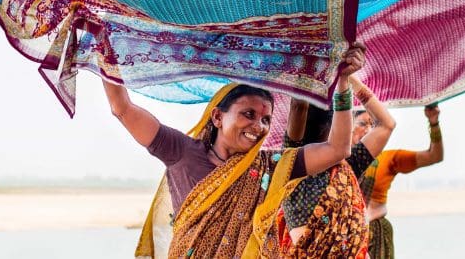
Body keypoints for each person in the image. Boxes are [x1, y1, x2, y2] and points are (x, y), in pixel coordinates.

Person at [103, 42, 366, 259]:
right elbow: (122, 108)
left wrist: (343, 83)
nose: (258, 126)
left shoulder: (271, 165)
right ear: (217, 117)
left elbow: (338, 148)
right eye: (248, 114)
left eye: (265, 119)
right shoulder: (182, 151)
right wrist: (101, 48)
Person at [273, 75, 395, 258]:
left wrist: (344, 76)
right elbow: (386, 124)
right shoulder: (294, 164)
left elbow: (387, 125)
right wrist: (346, 79)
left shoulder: (344, 168)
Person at [358, 103, 444, 259]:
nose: (368, 130)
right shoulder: (336, 161)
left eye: (374, 125)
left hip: (376, 235)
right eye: (363, 123)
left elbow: (434, 156)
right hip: (346, 234)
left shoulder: (388, 159)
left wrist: (434, 123)